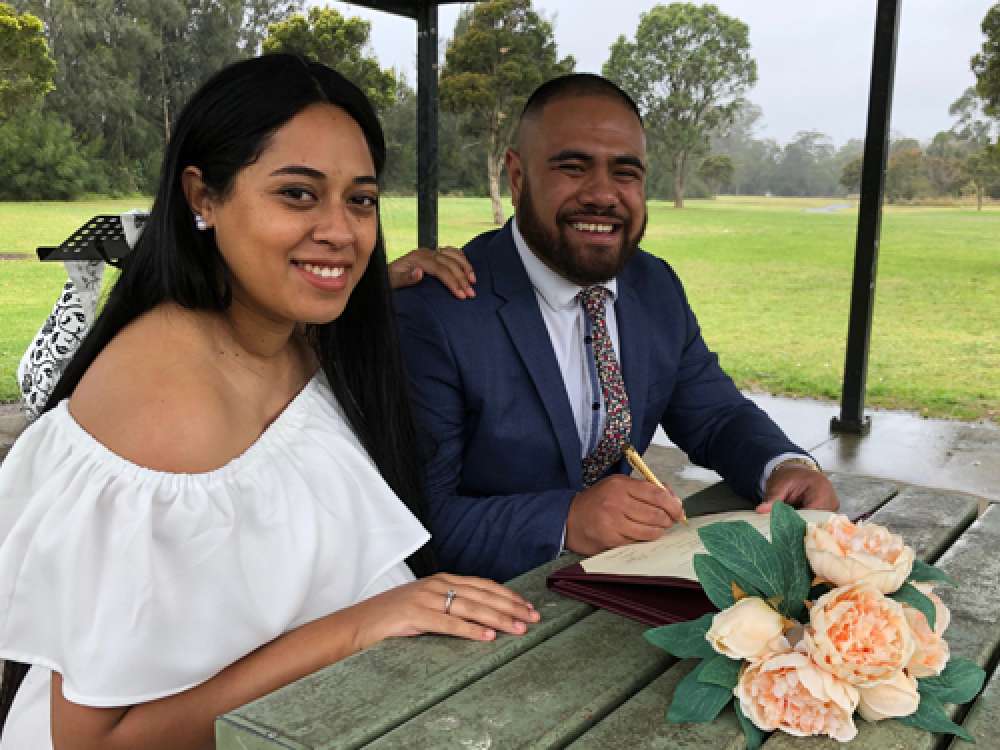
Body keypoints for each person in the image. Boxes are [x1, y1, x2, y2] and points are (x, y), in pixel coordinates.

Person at [0, 54, 538, 750]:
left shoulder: (292, 337)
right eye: (297, 194)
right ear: (203, 197)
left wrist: (377, 283)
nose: (342, 232)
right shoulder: (162, 408)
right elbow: (95, 742)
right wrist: (359, 626)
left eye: (361, 199)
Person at [394, 73, 839, 583]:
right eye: (573, 168)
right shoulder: (436, 311)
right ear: (517, 177)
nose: (603, 194)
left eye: (625, 173)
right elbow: (418, 526)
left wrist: (783, 466)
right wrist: (567, 518)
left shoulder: (654, 286)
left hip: (620, 586)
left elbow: (714, 415)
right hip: (483, 616)